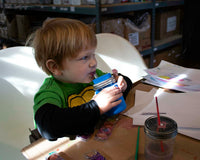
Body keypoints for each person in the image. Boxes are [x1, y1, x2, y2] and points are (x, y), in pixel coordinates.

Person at [30, 18, 132, 141]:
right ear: (55, 67)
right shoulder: (51, 91)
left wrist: (123, 83)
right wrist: (96, 107)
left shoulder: (95, 75)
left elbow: (123, 86)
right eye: (84, 57)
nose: (94, 62)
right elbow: (47, 126)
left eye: (93, 55)